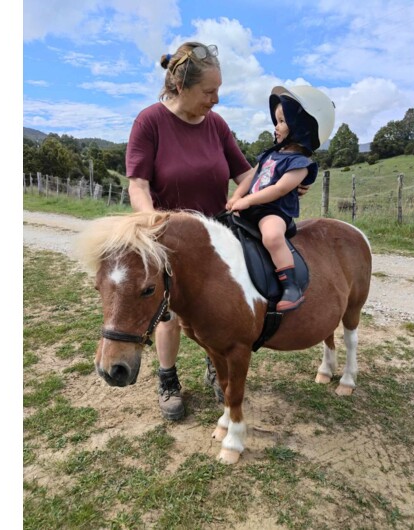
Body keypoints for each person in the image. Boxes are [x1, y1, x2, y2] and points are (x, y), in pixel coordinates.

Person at [125, 42, 255, 421]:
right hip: (169, 238)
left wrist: (277, 184)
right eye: (209, 92)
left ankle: (216, 365)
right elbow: (138, 185)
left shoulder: (217, 125)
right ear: (180, 86)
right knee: (167, 314)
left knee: (216, 312)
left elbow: (245, 174)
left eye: (218, 91)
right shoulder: (149, 122)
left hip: (217, 239)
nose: (215, 100)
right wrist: (151, 227)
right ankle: (167, 379)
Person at [225, 85, 336, 312]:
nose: (276, 127)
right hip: (251, 207)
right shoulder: (269, 154)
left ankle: (291, 286)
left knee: (273, 237)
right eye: (276, 121)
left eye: (282, 121)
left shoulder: (301, 164)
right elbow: (251, 177)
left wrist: (247, 201)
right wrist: (236, 195)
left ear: (301, 128)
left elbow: (279, 189)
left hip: (273, 211)